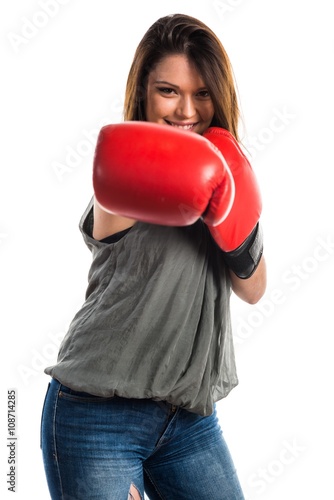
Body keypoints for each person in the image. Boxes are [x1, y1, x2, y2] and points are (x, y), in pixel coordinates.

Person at [40, 13, 266, 500]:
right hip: (98, 419)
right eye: (168, 91)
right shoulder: (125, 172)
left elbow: (253, 287)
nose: (187, 109)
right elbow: (111, 205)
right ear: (143, 92)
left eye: (202, 94)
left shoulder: (225, 174)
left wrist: (230, 195)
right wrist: (205, 177)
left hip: (188, 424)